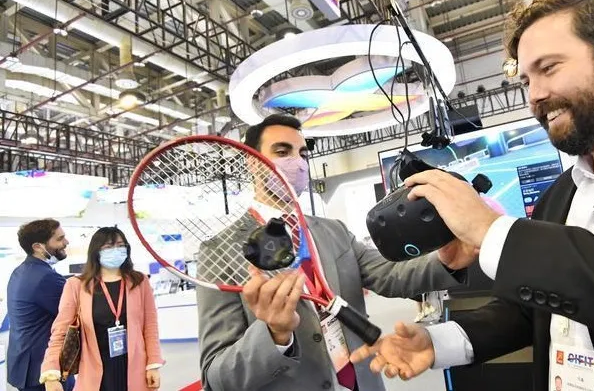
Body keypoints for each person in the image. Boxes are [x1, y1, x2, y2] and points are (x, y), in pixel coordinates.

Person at [350, 0, 594, 391]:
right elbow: (537, 310)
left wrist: (493, 232)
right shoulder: (560, 196)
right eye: (527, 79)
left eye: (549, 68)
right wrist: (438, 342)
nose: (535, 95)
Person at [196, 113, 476, 391]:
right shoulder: (218, 252)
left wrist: (446, 262)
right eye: (282, 152)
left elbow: (390, 274)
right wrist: (274, 334)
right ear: (253, 161)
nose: (297, 162)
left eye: (303, 154)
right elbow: (216, 378)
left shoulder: (334, 231)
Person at [40, 227, 164, 391]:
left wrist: (153, 364)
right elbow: (60, 331)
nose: (115, 250)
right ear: (96, 251)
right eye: (108, 247)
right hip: (94, 369)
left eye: (120, 245)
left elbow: (150, 326)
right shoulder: (76, 285)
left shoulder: (139, 281)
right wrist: (51, 372)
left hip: (134, 367)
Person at [6, 219, 74, 391]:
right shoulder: (45, 277)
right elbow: (76, 312)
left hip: (24, 364)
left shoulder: (22, 271)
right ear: (38, 246)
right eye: (60, 239)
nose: (66, 242)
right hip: (43, 370)